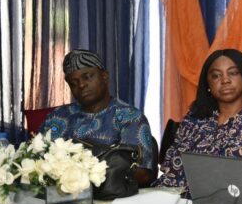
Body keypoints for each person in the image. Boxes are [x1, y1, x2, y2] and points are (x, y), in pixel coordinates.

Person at [154, 49, 242, 199]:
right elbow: (172, 175)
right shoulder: (192, 121)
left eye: (233, 73)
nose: (225, 80)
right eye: (216, 76)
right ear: (208, 84)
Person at [40, 49, 158, 186]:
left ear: (104, 76)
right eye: (73, 82)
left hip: (114, 201)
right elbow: (37, 162)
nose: (81, 85)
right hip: (61, 198)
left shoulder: (130, 118)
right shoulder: (56, 118)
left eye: (87, 77)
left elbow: (142, 174)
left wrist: (85, 179)